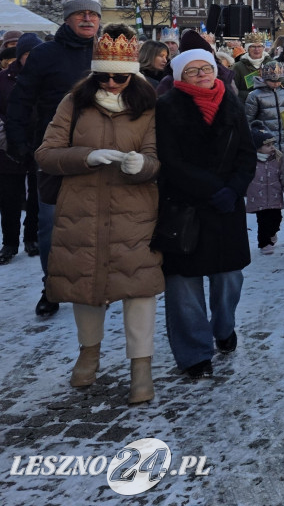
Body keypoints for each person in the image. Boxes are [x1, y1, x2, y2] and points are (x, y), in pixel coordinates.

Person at [35, 29, 162, 404]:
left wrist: (143, 164)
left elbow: (157, 159)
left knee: (139, 288)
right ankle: (88, 353)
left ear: (132, 76)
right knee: (85, 285)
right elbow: (46, 153)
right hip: (82, 209)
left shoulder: (149, 105)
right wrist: (85, 156)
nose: (111, 82)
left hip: (134, 211)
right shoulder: (73, 103)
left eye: (119, 76)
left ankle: (141, 368)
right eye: (103, 75)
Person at [156, 48, 256, 377]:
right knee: (184, 286)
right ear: (179, 76)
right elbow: (170, 160)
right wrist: (211, 189)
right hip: (185, 207)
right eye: (192, 71)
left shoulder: (231, 101)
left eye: (207, 68)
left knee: (230, 278)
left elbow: (246, 153)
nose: (201, 75)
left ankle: (224, 327)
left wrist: (234, 189)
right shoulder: (167, 107)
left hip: (227, 206)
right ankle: (195, 353)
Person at [5, 0, 102, 316]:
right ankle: (53, 285)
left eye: (93, 14)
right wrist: (19, 143)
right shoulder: (46, 53)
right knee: (51, 224)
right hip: (55, 152)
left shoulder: (108, 50)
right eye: (81, 13)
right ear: (68, 18)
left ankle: (94, 281)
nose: (88, 19)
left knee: (97, 221)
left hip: (102, 151)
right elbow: (22, 100)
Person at [0, 33, 42, 265]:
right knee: (10, 198)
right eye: (27, 55)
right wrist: (7, 139)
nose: (32, 59)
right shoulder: (3, 79)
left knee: (36, 195)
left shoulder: (43, 78)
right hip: (8, 147)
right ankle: (10, 242)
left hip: (37, 144)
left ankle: (31, 236)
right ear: (19, 56)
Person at [245, 61, 284, 254]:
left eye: (278, 81)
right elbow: (248, 119)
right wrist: (257, 138)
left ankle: (273, 228)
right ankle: (265, 236)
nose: (276, 84)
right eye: (272, 81)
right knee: (265, 196)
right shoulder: (255, 96)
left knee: (278, 193)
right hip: (264, 145)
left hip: (282, 146)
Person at [245, 121, 284, 255]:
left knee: (277, 218)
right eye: (267, 145)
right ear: (257, 148)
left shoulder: (277, 159)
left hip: (274, 196)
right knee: (262, 221)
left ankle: (273, 233)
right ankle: (264, 243)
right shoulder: (251, 161)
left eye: (272, 144)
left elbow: (282, 174)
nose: (272, 147)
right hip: (258, 197)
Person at [231, 33, 268, 99]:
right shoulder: (238, 67)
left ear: (263, 48)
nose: (257, 49)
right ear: (247, 48)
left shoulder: (271, 64)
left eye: (259, 46)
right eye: (253, 46)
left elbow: (281, 85)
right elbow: (233, 90)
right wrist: (253, 95)